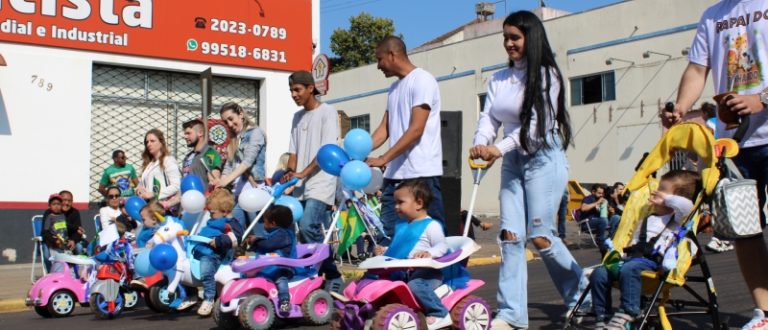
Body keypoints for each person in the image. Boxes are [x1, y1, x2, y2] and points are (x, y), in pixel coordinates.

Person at [469, 11, 586, 329]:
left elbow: (537, 128)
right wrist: (481, 144)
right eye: (505, 37)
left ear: (530, 38)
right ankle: (511, 314)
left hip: (543, 159)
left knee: (541, 236)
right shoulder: (498, 79)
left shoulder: (547, 75)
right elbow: (489, 119)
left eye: (514, 37)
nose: (508, 43)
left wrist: (498, 148)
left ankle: (581, 293)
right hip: (513, 162)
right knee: (509, 237)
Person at [664, 1, 768, 328]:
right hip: (734, 142)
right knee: (744, 229)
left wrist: (760, 100)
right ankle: (765, 312)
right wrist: (680, 107)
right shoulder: (712, 16)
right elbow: (697, 69)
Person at [590, 170, 700, 329]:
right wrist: (619, 254)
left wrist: (666, 199)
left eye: (662, 189)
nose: (656, 191)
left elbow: (688, 206)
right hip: (632, 258)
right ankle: (602, 315)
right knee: (600, 273)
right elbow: (635, 242)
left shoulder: (676, 219)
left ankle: (630, 311)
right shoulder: (646, 218)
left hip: (652, 261)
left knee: (630, 268)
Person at [366, 35, 445, 245]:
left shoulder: (423, 80)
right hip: (395, 176)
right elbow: (384, 130)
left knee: (430, 237)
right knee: (390, 236)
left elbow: (416, 129)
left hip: (421, 174)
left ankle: (442, 277)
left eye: (379, 59)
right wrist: (359, 154)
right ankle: (395, 277)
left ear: (392, 55)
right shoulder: (393, 90)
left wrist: (383, 158)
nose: (378, 66)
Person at [282, 70, 343, 291]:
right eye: (291, 90)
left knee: (309, 225)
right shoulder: (297, 117)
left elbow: (326, 151)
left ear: (310, 88)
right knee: (302, 232)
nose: (293, 94)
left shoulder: (327, 112)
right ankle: (316, 277)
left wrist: (303, 172)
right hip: (300, 183)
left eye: (297, 89)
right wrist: (290, 172)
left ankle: (333, 275)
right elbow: (293, 151)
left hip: (321, 180)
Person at [373, 179, 451, 328]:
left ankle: (439, 312)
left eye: (400, 202)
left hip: (428, 274)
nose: (396, 206)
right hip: (406, 271)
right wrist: (385, 251)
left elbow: (442, 245)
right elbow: (400, 247)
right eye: (395, 202)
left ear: (419, 203)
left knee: (415, 285)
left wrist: (428, 252)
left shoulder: (431, 225)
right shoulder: (403, 226)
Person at [215, 102, 267, 230]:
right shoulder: (233, 139)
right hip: (237, 193)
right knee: (236, 233)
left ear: (241, 115)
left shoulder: (256, 132)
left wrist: (226, 180)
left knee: (258, 232)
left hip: (252, 191)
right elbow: (229, 164)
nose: (229, 124)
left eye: (231, 119)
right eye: (225, 122)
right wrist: (221, 181)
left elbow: (247, 162)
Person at [194, 189, 243, 317]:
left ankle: (208, 299)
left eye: (212, 213)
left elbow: (236, 237)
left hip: (216, 254)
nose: (210, 215)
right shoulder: (213, 220)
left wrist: (220, 241)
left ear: (225, 211)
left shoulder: (230, 223)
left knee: (206, 269)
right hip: (203, 249)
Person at [247, 205, 296, 315]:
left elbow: (268, 245)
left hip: (283, 267)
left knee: (280, 279)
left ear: (273, 223)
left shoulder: (284, 234)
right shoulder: (274, 234)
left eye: (265, 221)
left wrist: (256, 241)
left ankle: (285, 301)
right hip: (270, 266)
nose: (263, 224)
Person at [136, 129, 181, 213]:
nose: (149, 144)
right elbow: (143, 183)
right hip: (150, 208)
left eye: (152, 141)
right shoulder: (149, 164)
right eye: (147, 142)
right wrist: (139, 188)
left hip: (164, 208)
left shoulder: (168, 160)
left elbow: (176, 185)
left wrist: (153, 194)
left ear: (161, 142)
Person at [42, 194, 84, 266]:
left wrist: (77, 229)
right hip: (54, 243)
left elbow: (68, 226)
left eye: (58, 204)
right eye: (54, 204)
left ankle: (71, 273)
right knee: (57, 260)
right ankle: (52, 274)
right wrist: (54, 240)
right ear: (49, 205)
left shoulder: (63, 216)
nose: (56, 206)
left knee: (68, 258)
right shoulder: (49, 216)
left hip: (65, 242)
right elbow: (45, 231)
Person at [181, 119, 222, 189]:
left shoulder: (209, 152)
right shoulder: (188, 157)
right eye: (185, 134)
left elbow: (214, 178)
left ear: (200, 133)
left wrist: (213, 180)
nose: (185, 137)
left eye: (188, 133)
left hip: (203, 198)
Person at [580, 184, 610, 254]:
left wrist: (609, 210)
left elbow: (604, 214)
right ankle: (600, 240)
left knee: (615, 218)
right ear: (593, 192)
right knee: (603, 221)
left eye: (602, 193)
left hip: (599, 222)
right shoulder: (588, 198)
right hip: (587, 223)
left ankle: (610, 239)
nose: (601, 195)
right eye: (599, 193)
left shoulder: (601, 199)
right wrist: (597, 202)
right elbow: (583, 208)